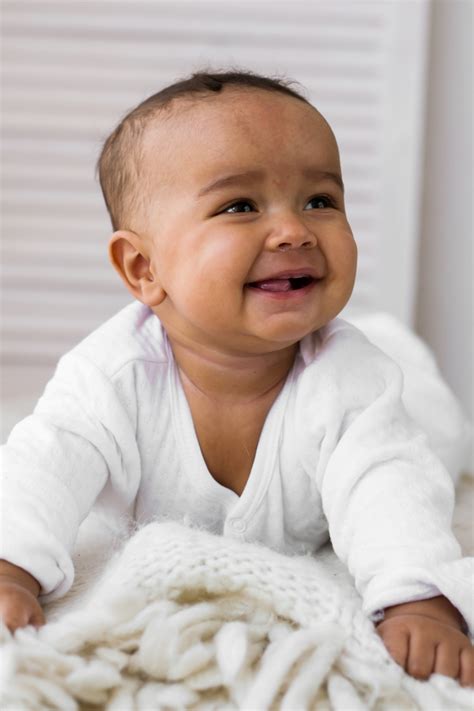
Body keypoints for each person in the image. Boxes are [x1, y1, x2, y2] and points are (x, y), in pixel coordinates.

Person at [0, 71, 472, 686]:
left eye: (320, 201)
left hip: (391, 393)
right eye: (240, 206)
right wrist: (11, 567)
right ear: (144, 267)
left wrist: (417, 596)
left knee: (434, 436)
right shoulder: (110, 376)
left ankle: (401, 345)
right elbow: (43, 467)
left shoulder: (351, 379)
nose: (295, 230)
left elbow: (390, 483)